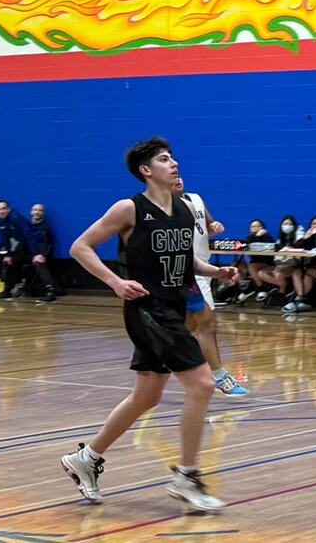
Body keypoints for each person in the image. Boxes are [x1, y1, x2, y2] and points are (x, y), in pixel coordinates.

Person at [60, 136, 238, 512]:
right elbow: (80, 247)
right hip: (147, 308)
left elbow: (185, 261)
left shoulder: (186, 209)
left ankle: (86, 458)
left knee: (147, 396)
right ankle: (186, 476)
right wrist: (115, 281)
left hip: (176, 305)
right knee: (203, 384)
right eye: (164, 159)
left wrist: (217, 272)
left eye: (173, 159)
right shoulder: (129, 208)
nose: (173, 164)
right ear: (146, 170)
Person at [174, 177, 249, 397]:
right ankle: (218, 376)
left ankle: (162, 361)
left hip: (201, 270)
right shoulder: (159, 207)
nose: (177, 178)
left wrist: (213, 226)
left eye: (179, 174)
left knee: (195, 327)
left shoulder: (196, 199)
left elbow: (208, 225)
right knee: (205, 325)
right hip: (182, 274)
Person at [0, 199, 43, 298]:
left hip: (38, 240)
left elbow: (29, 235)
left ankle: (21, 284)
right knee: (7, 260)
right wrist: (8, 255)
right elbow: (5, 239)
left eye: (3, 208)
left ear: (8, 209)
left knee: (19, 258)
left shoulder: (15, 218)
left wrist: (35, 254)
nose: (1, 211)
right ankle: (7, 290)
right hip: (23, 242)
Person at [256, 215, 303, 303]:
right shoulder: (280, 237)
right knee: (261, 273)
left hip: (294, 264)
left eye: (290, 224)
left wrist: (288, 249)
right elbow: (276, 248)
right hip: (280, 264)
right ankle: (286, 286)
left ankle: (282, 291)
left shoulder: (299, 234)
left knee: (278, 274)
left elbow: (299, 246)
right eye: (285, 224)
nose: (287, 226)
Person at [235, 219, 277, 304]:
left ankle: (261, 289)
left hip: (266, 263)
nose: (255, 228)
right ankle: (243, 289)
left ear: (262, 228)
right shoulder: (250, 237)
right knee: (236, 265)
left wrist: (258, 236)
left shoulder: (267, 236)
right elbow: (241, 244)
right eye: (253, 227)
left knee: (252, 266)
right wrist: (254, 236)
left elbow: (270, 246)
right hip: (253, 262)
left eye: (258, 226)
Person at [27, 204, 60, 301]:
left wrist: (41, 255)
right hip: (27, 253)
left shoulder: (44, 228)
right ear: (31, 212)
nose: (37, 212)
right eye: (35, 210)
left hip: (40, 254)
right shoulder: (27, 225)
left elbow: (45, 245)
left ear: (43, 213)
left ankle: (50, 291)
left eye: (40, 210)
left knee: (39, 263)